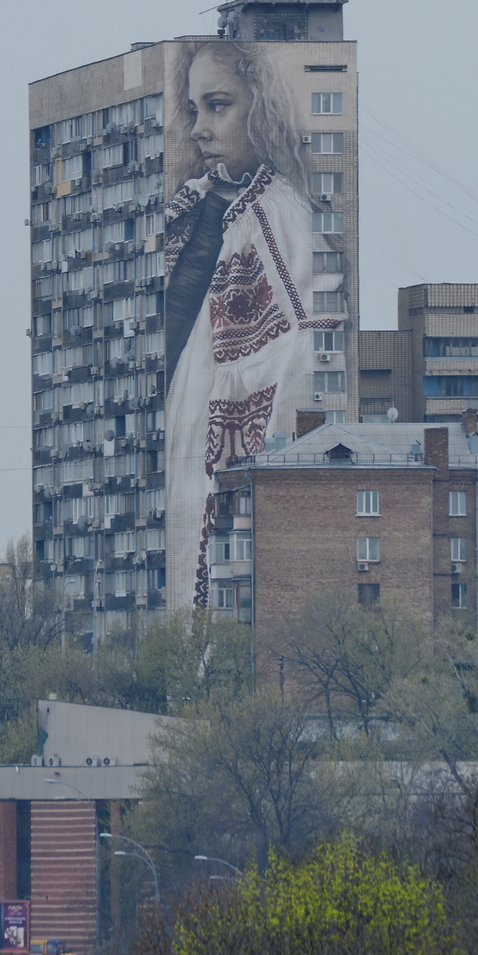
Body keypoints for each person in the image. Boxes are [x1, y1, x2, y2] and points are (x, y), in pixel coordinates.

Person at [165, 42, 347, 609]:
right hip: (175, 460)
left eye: (217, 106)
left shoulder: (285, 217)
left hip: (237, 476)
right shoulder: (191, 204)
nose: (199, 129)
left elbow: (301, 358)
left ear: (262, 108)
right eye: (193, 110)